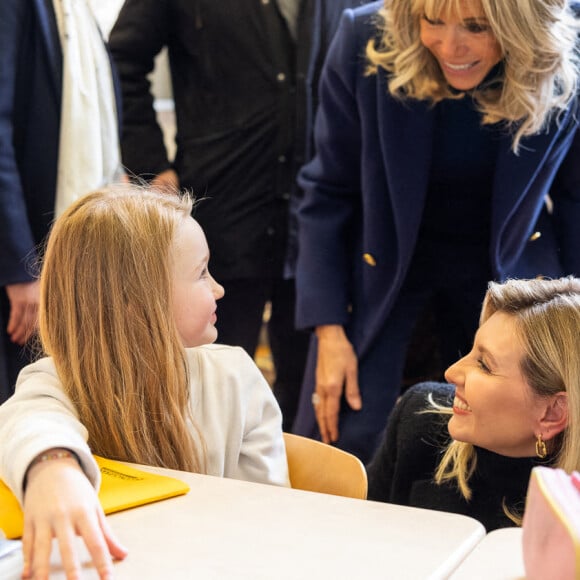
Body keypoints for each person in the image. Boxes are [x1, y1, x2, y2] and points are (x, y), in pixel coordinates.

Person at [292, 0, 580, 462]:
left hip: (510, 271)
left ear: (523, 25)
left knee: (508, 452)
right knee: (346, 437)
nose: (451, 46)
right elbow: (326, 191)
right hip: (383, 268)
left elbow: (575, 202)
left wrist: (569, 328)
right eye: (432, 20)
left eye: (476, 26)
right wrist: (329, 332)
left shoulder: (568, 44)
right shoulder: (362, 36)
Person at [106, 0, 372, 431]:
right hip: (219, 215)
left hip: (321, 224)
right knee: (205, 393)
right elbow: (119, 61)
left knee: (309, 406)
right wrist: (151, 163)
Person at [0, 187, 289, 579]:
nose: (219, 289)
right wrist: (53, 468)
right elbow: (27, 421)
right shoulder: (57, 381)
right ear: (136, 301)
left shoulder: (237, 378)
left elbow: (270, 520)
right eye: (202, 273)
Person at [366, 276, 580, 531]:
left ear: (553, 413)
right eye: (471, 350)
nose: (451, 372)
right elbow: (359, 538)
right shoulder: (421, 417)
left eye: (484, 365)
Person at [0, 0, 124, 402]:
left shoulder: (79, 10)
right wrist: (23, 268)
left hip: (66, 251)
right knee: (25, 405)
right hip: (27, 256)